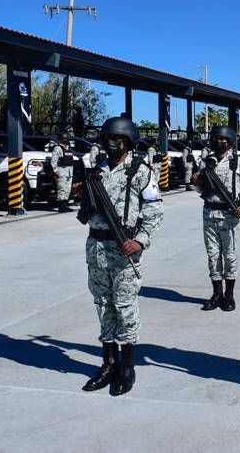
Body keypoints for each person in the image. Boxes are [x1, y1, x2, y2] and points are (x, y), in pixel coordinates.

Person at [79, 117, 163, 396]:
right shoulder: (96, 171)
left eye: (116, 139)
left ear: (127, 142)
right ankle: (108, 362)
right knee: (103, 305)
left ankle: (126, 366)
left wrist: (140, 241)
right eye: (107, 139)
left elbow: (154, 211)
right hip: (97, 247)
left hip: (124, 247)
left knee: (125, 306)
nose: (110, 144)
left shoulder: (141, 171)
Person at [192, 125, 240, 312]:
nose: (219, 142)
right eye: (216, 139)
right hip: (209, 212)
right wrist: (196, 182)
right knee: (213, 255)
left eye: (223, 140)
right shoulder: (205, 162)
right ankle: (217, 294)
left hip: (229, 214)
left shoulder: (238, 162)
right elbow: (201, 190)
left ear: (229, 142)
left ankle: (229, 295)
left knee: (229, 255)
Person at [51, 133, 75, 212]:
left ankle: (65, 205)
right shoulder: (57, 148)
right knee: (62, 189)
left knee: (67, 189)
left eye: (67, 138)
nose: (66, 140)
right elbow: (54, 161)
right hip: (61, 171)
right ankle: (61, 206)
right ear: (61, 139)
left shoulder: (68, 148)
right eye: (64, 138)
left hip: (69, 172)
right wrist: (55, 171)